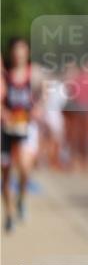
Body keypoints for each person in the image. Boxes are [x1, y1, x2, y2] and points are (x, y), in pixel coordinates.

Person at [2, 37, 38, 232]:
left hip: (26, 127)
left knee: (24, 167)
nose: (19, 53)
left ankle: (22, 197)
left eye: (22, 49)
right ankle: (8, 214)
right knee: (6, 174)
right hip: (6, 129)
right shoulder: (5, 76)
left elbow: (44, 94)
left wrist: (38, 108)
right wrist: (4, 112)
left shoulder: (35, 73)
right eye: (16, 50)